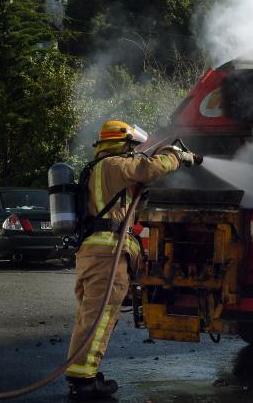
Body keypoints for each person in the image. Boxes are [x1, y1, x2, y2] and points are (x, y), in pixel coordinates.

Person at [65, 120, 196, 400]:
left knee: (90, 316)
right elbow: (147, 169)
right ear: (122, 144)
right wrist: (176, 156)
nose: (133, 152)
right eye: (132, 147)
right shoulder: (114, 166)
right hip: (106, 254)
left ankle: (83, 372)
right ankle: (84, 380)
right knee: (99, 317)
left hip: (94, 252)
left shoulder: (99, 169)